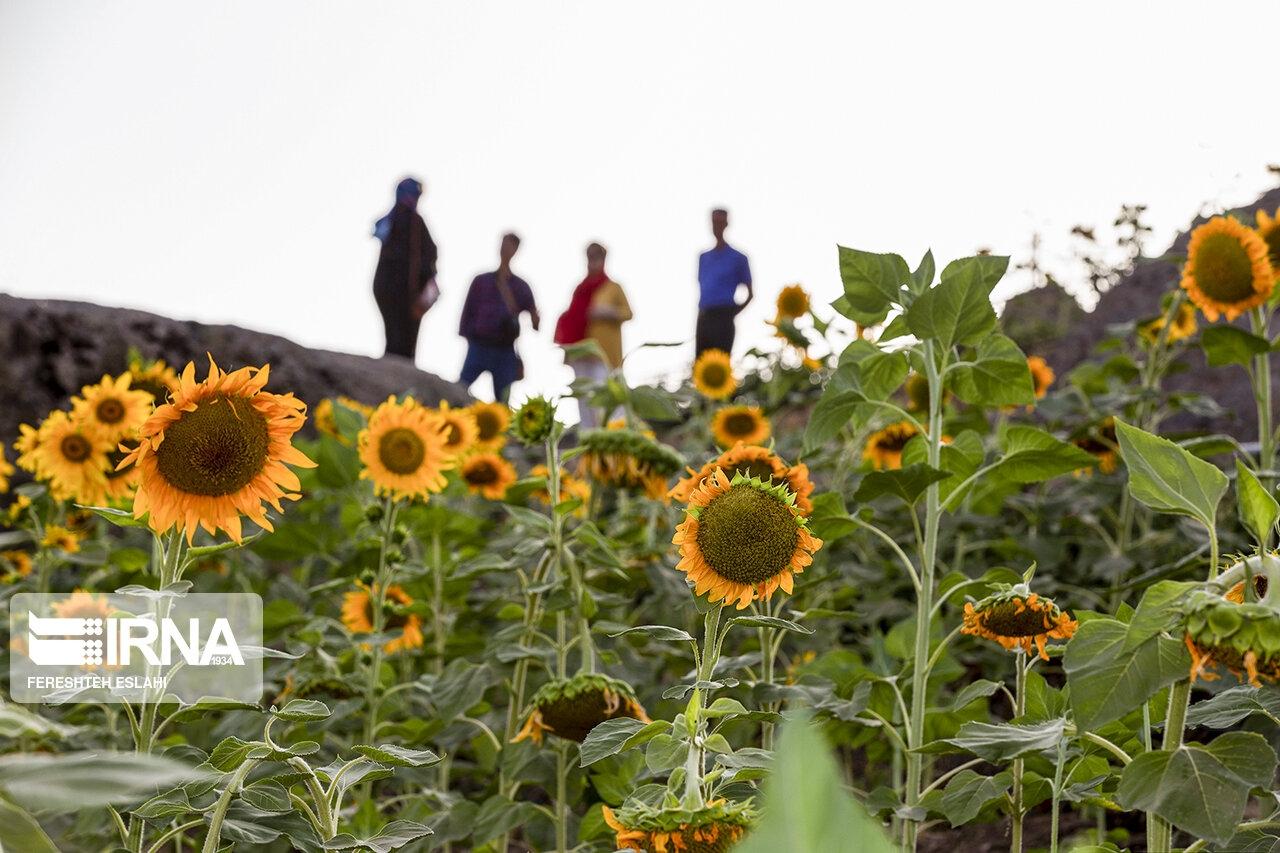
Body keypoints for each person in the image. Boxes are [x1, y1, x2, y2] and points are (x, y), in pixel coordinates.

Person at [554, 242, 632, 429]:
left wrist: (608, 312)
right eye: (590, 257)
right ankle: (588, 441)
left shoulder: (613, 287)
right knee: (584, 400)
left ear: (604, 259)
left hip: (605, 355)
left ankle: (616, 437)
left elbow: (628, 313)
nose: (593, 261)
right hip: (581, 354)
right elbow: (572, 319)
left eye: (597, 257)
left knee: (610, 398)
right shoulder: (580, 289)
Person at [458, 233, 539, 403]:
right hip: (479, 344)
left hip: (505, 349)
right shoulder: (481, 281)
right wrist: (467, 334)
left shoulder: (521, 287)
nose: (505, 249)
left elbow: (535, 321)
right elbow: (469, 310)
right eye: (503, 244)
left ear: (516, 250)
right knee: (460, 390)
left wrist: (534, 318)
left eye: (510, 245)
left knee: (503, 401)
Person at [372, 177, 439, 361]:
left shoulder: (394, 220)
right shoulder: (408, 220)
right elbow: (430, 255)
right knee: (401, 342)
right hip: (402, 292)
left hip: (391, 289)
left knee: (396, 339)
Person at [695, 208, 752, 356]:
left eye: (719, 222)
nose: (716, 227)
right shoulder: (703, 258)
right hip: (704, 317)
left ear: (726, 224)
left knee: (722, 362)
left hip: (724, 317)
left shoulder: (738, 258)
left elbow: (750, 293)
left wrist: (731, 314)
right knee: (701, 364)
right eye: (714, 223)